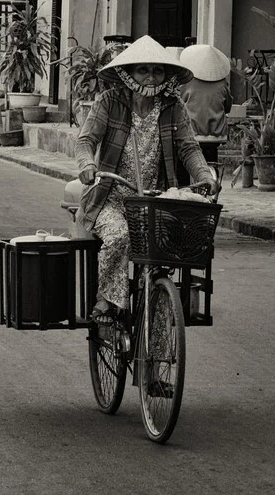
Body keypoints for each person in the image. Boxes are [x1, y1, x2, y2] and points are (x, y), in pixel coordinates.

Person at [75, 35, 217, 323]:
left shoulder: (173, 105)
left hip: (155, 200)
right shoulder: (109, 101)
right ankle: (107, 303)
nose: (151, 77)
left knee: (171, 247)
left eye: (158, 71)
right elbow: (86, 140)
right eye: (143, 70)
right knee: (119, 237)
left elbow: (188, 147)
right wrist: (87, 164)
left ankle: (155, 302)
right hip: (112, 198)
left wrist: (204, 175)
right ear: (128, 73)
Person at [178, 43, 232, 167]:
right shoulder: (223, 84)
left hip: (192, 133)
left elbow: (179, 103)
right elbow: (227, 107)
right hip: (216, 135)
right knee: (211, 161)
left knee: (186, 162)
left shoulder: (187, 82)